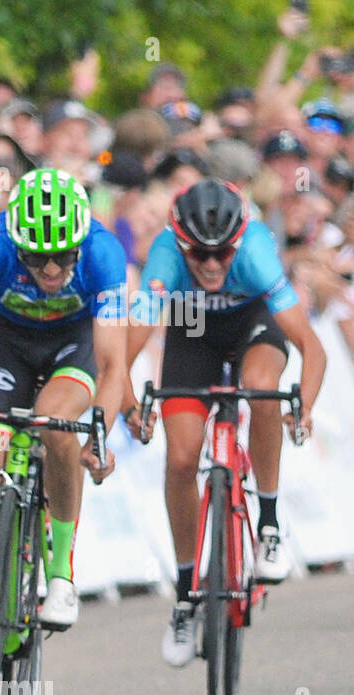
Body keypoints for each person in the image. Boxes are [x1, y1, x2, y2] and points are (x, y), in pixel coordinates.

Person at [122, 178, 326, 666]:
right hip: (191, 328)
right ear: (180, 244)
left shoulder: (256, 252)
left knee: (262, 391)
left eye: (222, 255)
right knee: (181, 458)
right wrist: (131, 406)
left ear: (238, 243)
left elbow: (311, 347)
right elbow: (124, 351)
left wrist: (307, 407)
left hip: (252, 322)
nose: (212, 265)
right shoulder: (164, 256)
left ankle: (270, 524)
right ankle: (187, 592)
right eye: (199, 256)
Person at [0, 169, 123, 682]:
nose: (51, 266)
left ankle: (60, 573)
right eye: (36, 255)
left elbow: (111, 365)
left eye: (63, 255)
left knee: (56, 424)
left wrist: (101, 432)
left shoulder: (105, 252)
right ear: (15, 241)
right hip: (4, 347)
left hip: (71, 347)